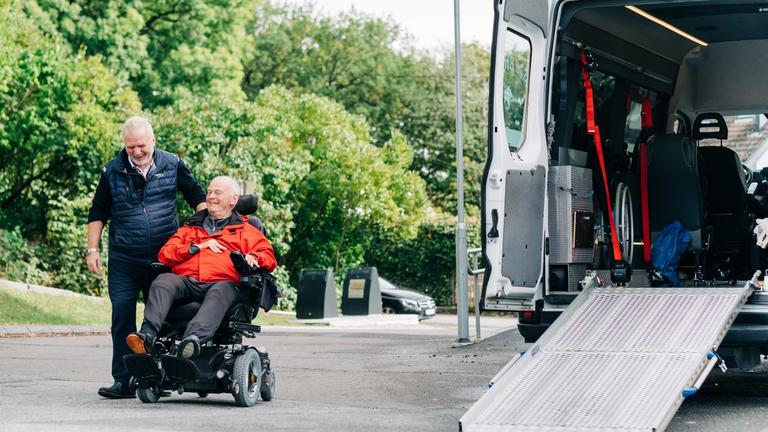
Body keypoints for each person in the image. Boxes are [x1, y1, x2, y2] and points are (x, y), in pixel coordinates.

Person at [87, 116, 206, 399]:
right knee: (122, 316)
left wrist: (202, 234)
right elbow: (98, 213)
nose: (137, 152)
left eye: (141, 145)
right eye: (130, 147)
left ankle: (159, 377)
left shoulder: (172, 164)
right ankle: (124, 380)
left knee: (162, 317)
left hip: (164, 260)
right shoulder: (112, 171)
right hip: (124, 259)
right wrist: (92, 250)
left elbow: (197, 197)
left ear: (152, 141)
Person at [126, 176, 277, 359]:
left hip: (224, 284)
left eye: (218, 192)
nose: (211, 196)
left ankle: (192, 341)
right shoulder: (190, 228)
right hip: (188, 282)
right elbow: (165, 254)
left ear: (233, 200)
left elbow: (269, 258)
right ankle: (147, 337)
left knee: (221, 289)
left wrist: (255, 257)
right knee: (164, 281)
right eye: (210, 192)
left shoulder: (247, 231)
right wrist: (196, 247)